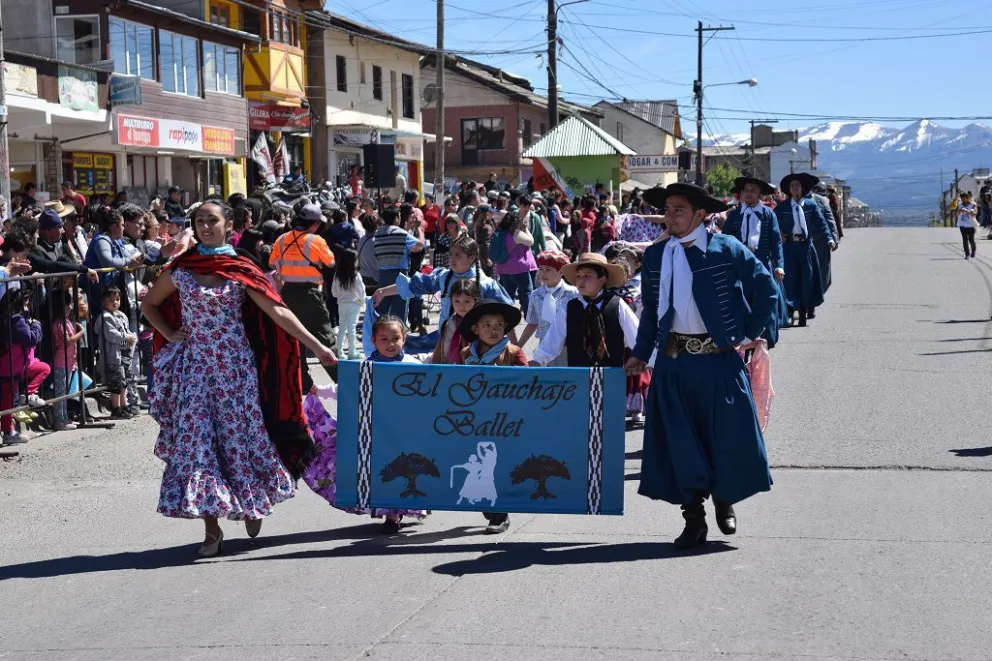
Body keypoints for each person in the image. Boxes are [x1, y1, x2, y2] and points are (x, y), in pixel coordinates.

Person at [141, 200, 337, 557]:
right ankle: (212, 530)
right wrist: (169, 334)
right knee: (200, 446)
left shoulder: (240, 269)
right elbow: (149, 304)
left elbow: (277, 310)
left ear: (227, 225)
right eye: (199, 221)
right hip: (196, 371)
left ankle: (250, 500)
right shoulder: (182, 268)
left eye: (211, 220)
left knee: (238, 443)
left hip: (236, 372)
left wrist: (318, 346)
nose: (204, 226)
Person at [625, 183, 778, 549]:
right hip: (674, 364)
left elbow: (766, 290)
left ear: (700, 214)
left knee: (724, 438)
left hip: (719, 362)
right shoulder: (657, 254)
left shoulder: (725, 248)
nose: (670, 216)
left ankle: (724, 500)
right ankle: (693, 517)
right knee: (680, 443)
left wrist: (749, 334)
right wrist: (641, 353)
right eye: (667, 210)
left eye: (678, 209)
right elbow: (650, 311)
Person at [302, 315, 427, 534]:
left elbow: (430, 392)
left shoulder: (413, 366)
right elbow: (346, 390)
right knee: (380, 472)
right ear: (373, 340)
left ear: (404, 338)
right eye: (384, 339)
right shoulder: (365, 367)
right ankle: (390, 513)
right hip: (372, 433)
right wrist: (320, 390)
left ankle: (395, 513)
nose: (390, 344)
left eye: (395, 338)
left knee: (402, 471)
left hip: (404, 434)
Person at [455, 299, 527, 534]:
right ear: (475, 329)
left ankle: (500, 513)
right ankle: (491, 509)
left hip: (506, 421)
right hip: (475, 418)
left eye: (499, 325)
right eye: (487, 325)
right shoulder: (467, 354)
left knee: (498, 465)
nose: (494, 329)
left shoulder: (514, 354)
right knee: (478, 464)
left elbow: (530, 385)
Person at [374, 235, 510, 337]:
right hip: (447, 336)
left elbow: (505, 313)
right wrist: (382, 292)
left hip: (476, 339)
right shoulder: (443, 276)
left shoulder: (485, 284)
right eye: (450, 254)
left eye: (458, 255)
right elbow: (412, 285)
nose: (452, 259)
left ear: (472, 258)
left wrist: (515, 345)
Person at [529, 252, 639, 370]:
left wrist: (648, 361)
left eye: (587, 276)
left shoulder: (616, 305)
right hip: (578, 375)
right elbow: (552, 340)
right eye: (578, 276)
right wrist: (537, 360)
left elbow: (636, 335)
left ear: (602, 279)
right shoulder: (569, 308)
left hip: (611, 374)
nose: (581, 281)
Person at [269, 203, 338, 389]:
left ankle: (303, 382)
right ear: (314, 224)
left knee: (295, 337)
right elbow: (330, 263)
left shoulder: (282, 239)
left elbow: (272, 262)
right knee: (324, 337)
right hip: (310, 294)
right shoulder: (315, 240)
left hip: (288, 293)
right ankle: (341, 379)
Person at [722, 177, 787, 347]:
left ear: (759, 194)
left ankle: (765, 339)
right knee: (741, 303)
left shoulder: (768, 214)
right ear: (741, 193)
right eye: (746, 190)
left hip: (762, 266)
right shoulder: (735, 215)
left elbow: (776, 241)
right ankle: (742, 340)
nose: (748, 193)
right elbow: (724, 240)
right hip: (739, 269)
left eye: (752, 190)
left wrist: (779, 265)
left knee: (764, 301)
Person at [774, 173, 833, 327]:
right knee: (790, 279)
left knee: (807, 279)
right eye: (792, 185)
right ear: (788, 189)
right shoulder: (783, 207)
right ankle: (790, 309)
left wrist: (830, 238)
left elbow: (822, 223)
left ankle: (803, 311)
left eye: (798, 185)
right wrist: (780, 233)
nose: (795, 188)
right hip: (789, 248)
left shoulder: (811, 206)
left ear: (802, 188)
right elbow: (771, 222)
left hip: (806, 246)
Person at [517, 250, 579, 354]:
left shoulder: (573, 293)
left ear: (561, 272)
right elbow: (533, 323)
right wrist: (518, 346)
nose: (543, 273)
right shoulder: (536, 295)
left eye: (548, 270)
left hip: (568, 347)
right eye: (541, 269)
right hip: (545, 346)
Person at [372, 206, 424, 320]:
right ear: (396, 218)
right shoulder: (401, 233)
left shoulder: (378, 233)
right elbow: (420, 245)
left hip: (383, 274)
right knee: (400, 308)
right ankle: (399, 333)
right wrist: (419, 229)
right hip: (400, 273)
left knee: (383, 309)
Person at [93, 287, 136, 419]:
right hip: (113, 356)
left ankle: (124, 405)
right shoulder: (105, 317)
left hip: (125, 354)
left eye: (117, 299)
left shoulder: (122, 315)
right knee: (116, 383)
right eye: (111, 300)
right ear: (103, 302)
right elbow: (111, 335)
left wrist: (132, 337)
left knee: (124, 382)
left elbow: (126, 330)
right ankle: (115, 407)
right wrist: (126, 337)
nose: (115, 302)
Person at [49, 289, 85, 431]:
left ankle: (64, 418)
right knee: (60, 393)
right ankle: (59, 421)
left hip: (68, 361)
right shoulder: (60, 323)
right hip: (61, 361)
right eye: (69, 304)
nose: (71, 307)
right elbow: (67, 341)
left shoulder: (67, 322)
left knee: (64, 392)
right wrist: (81, 332)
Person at [493, 209, 537, 313]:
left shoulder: (499, 232)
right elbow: (531, 241)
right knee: (527, 292)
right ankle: (530, 318)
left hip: (503, 269)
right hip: (519, 269)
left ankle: (506, 317)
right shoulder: (515, 233)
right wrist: (526, 229)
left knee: (508, 295)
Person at [331, 249, 364, 360]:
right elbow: (362, 292)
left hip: (341, 304)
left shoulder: (337, 274)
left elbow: (334, 292)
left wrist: (341, 296)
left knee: (342, 328)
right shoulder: (356, 275)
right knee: (352, 328)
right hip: (354, 304)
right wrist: (362, 301)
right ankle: (352, 351)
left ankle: (340, 352)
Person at [957, 192, 979, 259]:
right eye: (962, 199)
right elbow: (956, 214)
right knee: (964, 239)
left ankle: (973, 251)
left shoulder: (973, 205)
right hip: (962, 224)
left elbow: (974, 214)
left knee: (971, 239)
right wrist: (959, 211)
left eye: (964, 199)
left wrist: (967, 211)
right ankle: (967, 254)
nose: (963, 200)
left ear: (968, 198)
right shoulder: (960, 204)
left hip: (971, 225)